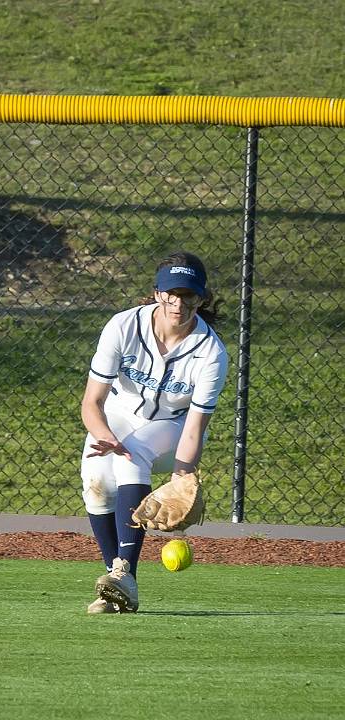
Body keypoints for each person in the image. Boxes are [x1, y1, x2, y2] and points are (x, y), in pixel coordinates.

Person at [80, 251, 228, 614]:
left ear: (201, 297)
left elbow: (194, 426)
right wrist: (103, 434)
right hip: (116, 415)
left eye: (188, 295)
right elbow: (91, 402)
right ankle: (116, 585)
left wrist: (182, 476)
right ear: (157, 293)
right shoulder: (124, 326)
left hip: (174, 428)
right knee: (96, 488)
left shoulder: (211, 353)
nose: (178, 303)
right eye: (171, 293)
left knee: (133, 453)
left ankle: (125, 571)